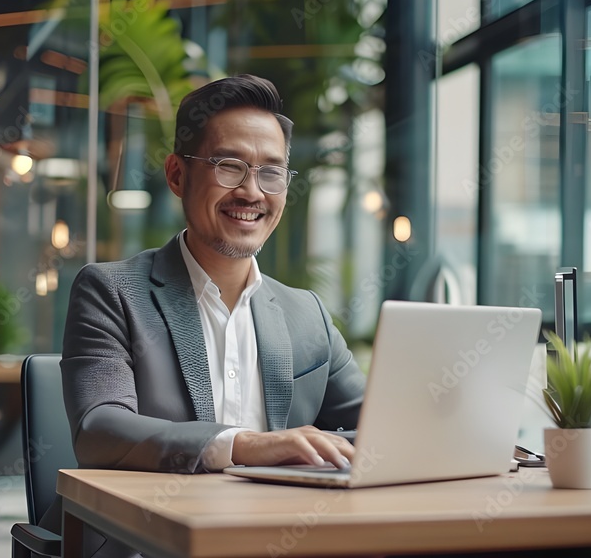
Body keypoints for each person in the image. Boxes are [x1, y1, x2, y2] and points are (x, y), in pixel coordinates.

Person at [45, 74, 366, 557]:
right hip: (144, 544)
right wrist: (244, 445)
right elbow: (100, 430)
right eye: (229, 166)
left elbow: (376, 426)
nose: (252, 192)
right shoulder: (111, 290)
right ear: (177, 174)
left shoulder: (307, 313)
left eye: (271, 172)